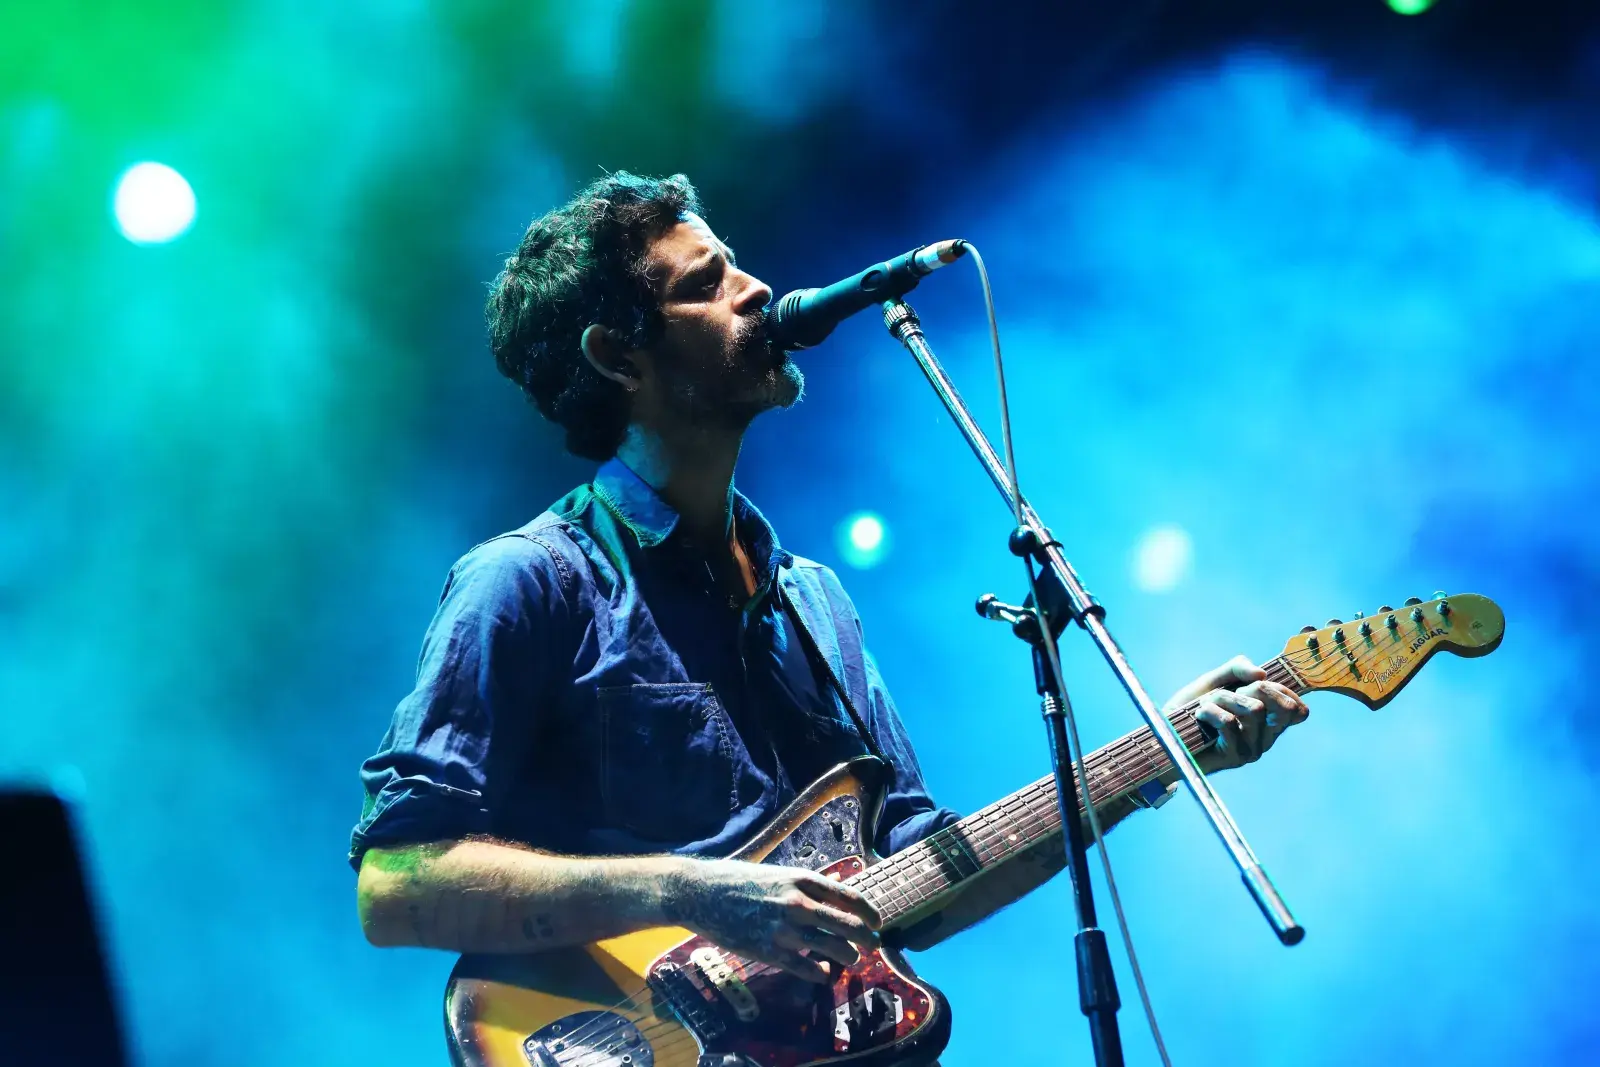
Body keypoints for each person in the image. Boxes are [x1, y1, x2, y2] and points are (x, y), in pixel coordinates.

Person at [350, 171, 1309, 986]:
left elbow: (917, 885)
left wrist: (1155, 760)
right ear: (618, 354)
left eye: (739, 265)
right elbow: (395, 883)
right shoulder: (527, 582)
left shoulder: (813, 602)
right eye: (707, 283)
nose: (759, 290)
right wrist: (689, 891)